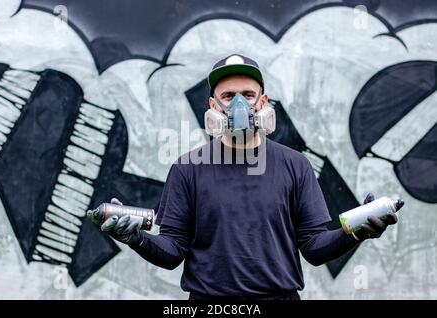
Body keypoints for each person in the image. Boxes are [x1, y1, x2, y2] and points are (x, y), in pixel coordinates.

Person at [87, 54, 398, 300]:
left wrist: (357, 231)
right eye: (228, 95)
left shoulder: (295, 165)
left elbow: (315, 248)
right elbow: (171, 252)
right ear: (212, 105)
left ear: (263, 102)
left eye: (248, 94)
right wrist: (136, 238)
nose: (239, 104)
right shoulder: (187, 168)